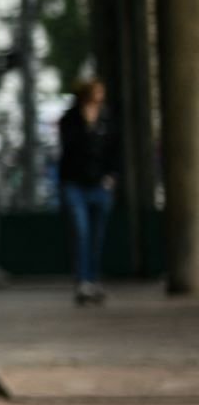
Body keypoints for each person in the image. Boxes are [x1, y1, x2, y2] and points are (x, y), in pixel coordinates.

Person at [58, 78, 119, 305]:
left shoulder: (107, 118)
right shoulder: (71, 119)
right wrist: (86, 125)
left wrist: (112, 176)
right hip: (75, 183)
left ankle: (93, 279)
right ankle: (82, 281)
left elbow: (114, 149)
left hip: (100, 185)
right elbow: (70, 149)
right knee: (81, 233)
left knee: (97, 236)